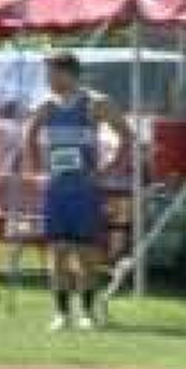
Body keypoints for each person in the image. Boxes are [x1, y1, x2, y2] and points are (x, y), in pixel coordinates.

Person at [25, 51, 133, 331]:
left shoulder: (96, 103)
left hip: (84, 190)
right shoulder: (46, 105)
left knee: (86, 254)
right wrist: (37, 172)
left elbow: (126, 136)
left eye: (51, 73)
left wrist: (108, 169)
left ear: (67, 73)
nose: (47, 80)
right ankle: (61, 313)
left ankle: (87, 313)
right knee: (58, 252)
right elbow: (29, 135)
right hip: (56, 191)